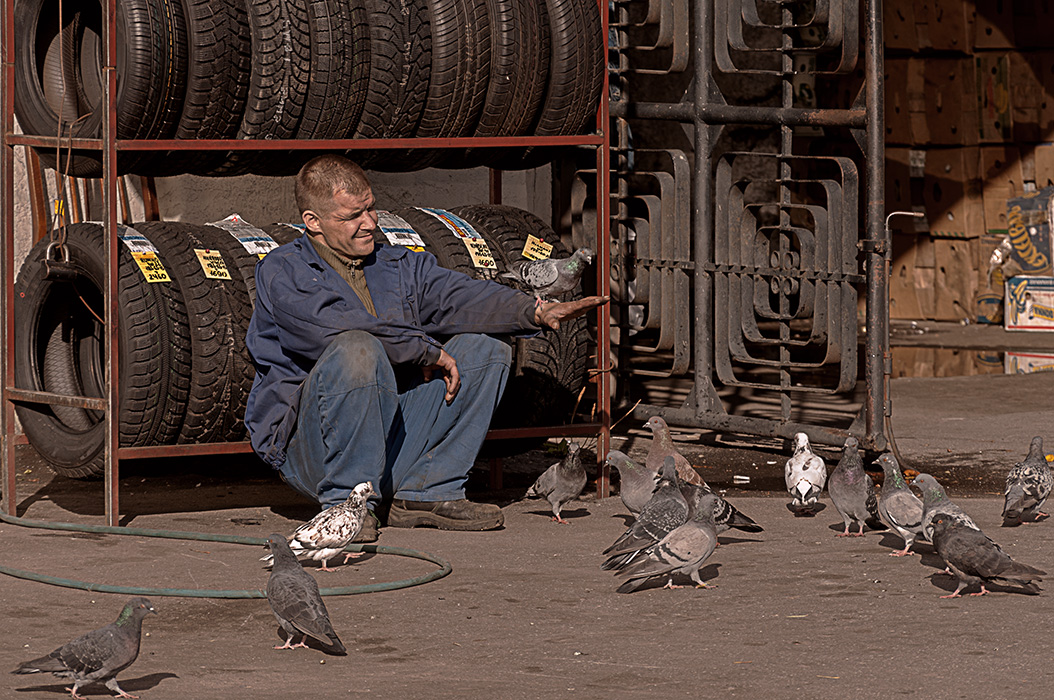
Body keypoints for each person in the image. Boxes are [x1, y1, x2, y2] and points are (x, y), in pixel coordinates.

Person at [244, 154, 606, 539]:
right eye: (352, 216)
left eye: (370, 208)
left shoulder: (396, 264)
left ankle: (428, 489)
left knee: (487, 347)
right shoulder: (283, 271)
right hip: (315, 449)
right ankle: (346, 506)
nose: (368, 224)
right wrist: (425, 350)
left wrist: (534, 311)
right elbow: (333, 330)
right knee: (357, 349)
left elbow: (460, 295)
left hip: (389, 432)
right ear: (312, 222)